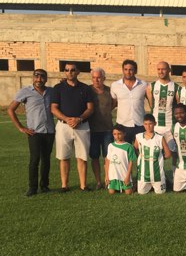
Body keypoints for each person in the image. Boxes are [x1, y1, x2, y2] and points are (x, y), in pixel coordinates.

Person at [7, 68, 55, 196]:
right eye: (36, 76)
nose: (39, 79)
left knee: (46, 159)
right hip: (34, 132)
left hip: (49, 131)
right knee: (35, 159)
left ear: (46, 79)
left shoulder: (51, 92)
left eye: (42, 77)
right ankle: (32, 188)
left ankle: (44, 186)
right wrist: (21, 127)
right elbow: (10, 109)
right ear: (33, 77)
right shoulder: (25, 92)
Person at [50, 62, 94, 192]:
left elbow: (90, 108)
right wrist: (66, 119)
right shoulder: (58, 88)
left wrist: (79, 119)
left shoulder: (85, 88)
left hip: (82, 126)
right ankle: (64, 185)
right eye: (67, 70)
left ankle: (83, 185)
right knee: (64, 156)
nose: (70, 72)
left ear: (78, 72)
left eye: (72, 70)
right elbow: (53, 108)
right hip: (63, 126)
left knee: (82, 157)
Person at [87, 67, 114, 190]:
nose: (96, 80)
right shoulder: (87, 90)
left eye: (98, 77)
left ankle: (107, 179)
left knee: (108, 157)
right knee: (94, 156)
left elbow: (114, 104)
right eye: (94, 77)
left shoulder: (110, 91)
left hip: (107, 129)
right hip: (92, 130)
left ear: (104, 78)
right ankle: (98, 181)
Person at [110, 59, 147, 145]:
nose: (128, 72)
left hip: (139, 124)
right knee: (123, 150)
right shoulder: (115, 85)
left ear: (135, 71)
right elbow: (113, 104)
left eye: (131, 69)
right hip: (122, 125)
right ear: (122, 70)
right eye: (125, 69)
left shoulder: (143, 85)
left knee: (140, 150)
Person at [134, 113, 171, 195]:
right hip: (143, 173)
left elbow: (168, 154)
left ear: (155, 123)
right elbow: (135, 149)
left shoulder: (160, 138)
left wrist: (159, 158)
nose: (148, 126)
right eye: (146, 124)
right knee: (141, 192)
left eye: (150, 124)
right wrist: (139, 157)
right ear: (143, 124)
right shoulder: (138, 137)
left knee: (160, 193)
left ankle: (164, 180)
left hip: (157, 173)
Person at [146, 61, 178, 154]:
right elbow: (151, 105)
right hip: (155, 126)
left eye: (163, 69)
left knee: (174, 152)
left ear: (169, 70)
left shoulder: (176, 87)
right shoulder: (151, 87)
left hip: (170, 126)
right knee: (155, 152)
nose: (161, 71)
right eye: (159, 69)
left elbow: (178, 107)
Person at [105, 124, 136, 195]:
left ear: (124, 134)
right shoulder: (110, 146)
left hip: (124, 174)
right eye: (115, 134)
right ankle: (117, 186)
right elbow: (107, 161)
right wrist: (107, 175)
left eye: (119, 134)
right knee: (111, 192)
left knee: (128, 193)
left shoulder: (129, 146)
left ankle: (133, 185)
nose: (117, 136)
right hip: (113, 175)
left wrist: (128, 176)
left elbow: (131, 162)